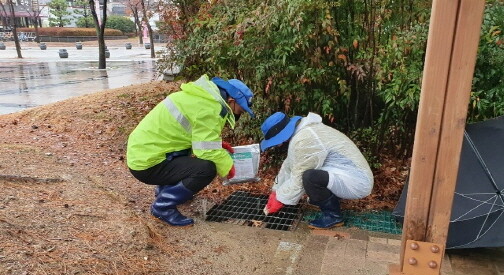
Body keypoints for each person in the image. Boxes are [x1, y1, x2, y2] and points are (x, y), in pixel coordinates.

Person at [126, 74, 254, 227]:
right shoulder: (210, 108)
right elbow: (204, 152)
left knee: (187, 153)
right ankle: (163, 207)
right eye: (242, 109)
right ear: (231, 101)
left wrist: (217, 145)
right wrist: (228, 166)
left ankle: (165, 190)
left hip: (143, 152)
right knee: (206, 169)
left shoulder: (203, 97)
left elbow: (194, 137)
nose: (241, 113)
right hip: (147, 164)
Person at [261, 112, 373, 229]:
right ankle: (322, 200)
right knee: (311, 175)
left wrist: (280, 199)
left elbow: (299, 177)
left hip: (357, 182)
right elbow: (288, 165)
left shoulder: (305, 139)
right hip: (344, 173)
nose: (277, 145)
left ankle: (333, 216)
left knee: (309, 177)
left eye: (276, 141)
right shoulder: (301, 133)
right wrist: (275, 190)